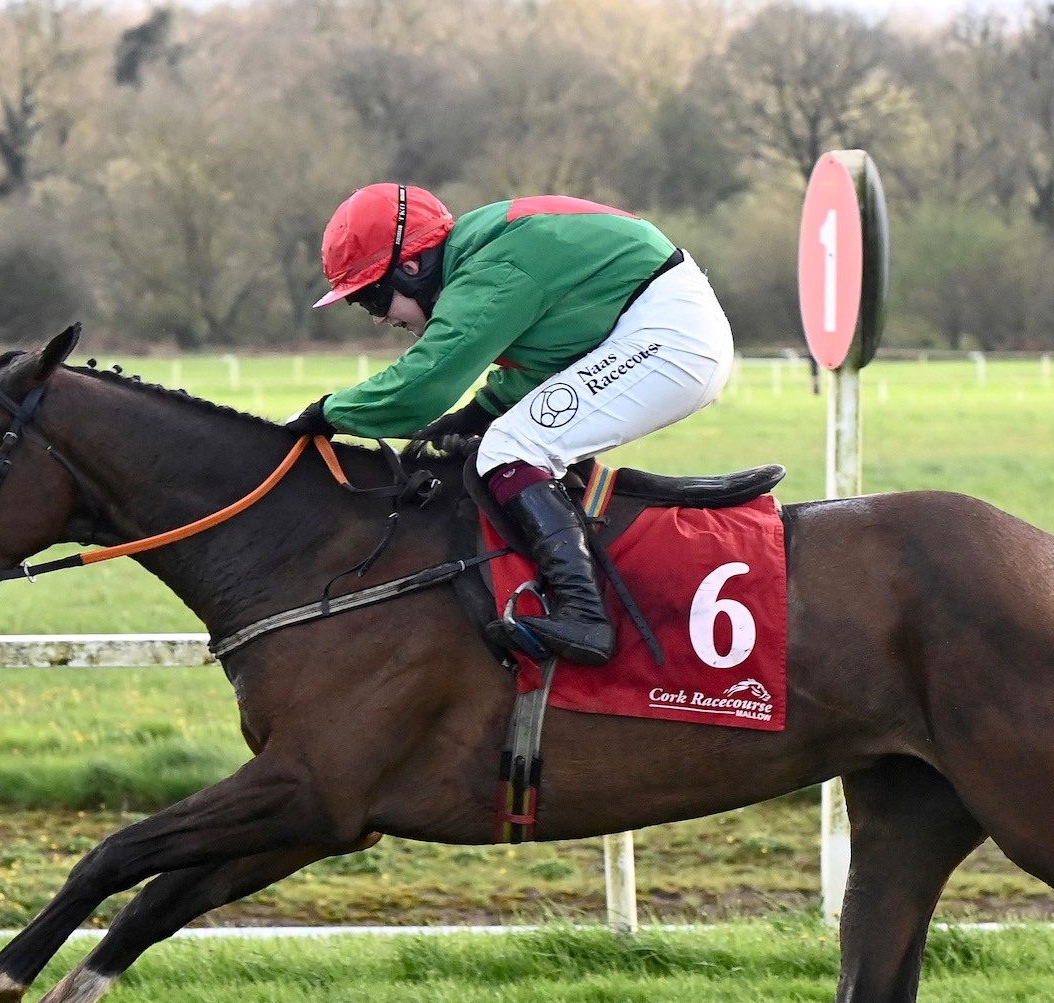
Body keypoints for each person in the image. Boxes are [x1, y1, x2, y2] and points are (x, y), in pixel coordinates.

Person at [283, 183, 735, 667]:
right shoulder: (483, 254)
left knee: (512, 449)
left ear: (411, 268)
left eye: (371, 299)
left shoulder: (491, 271)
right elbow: (550, 359)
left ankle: (585, 617)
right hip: (656, 323)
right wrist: (475, 414)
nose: (376, 319)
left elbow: (425, 383)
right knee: (506, 439)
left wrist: (330, 412)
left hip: (671, 337)